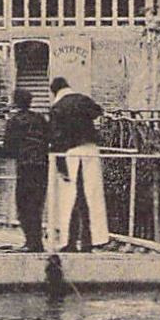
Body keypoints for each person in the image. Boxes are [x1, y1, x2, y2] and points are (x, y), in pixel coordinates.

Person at [47, 76, 108, 253]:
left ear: (54, 92)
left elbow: (56, 138)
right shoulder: (82, 99)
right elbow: (97, 110)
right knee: (90, 195)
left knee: (69, 198)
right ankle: (92, 240)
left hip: (71, 153)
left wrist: (60, 166)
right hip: (91, 149)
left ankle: (70, 241)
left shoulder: (57, 108)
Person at [0, 87, 49, 251]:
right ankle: (37, 242)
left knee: (23, 205)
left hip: (26, 166)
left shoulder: (14, 121)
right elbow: (48, 138)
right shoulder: (40, 118)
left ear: (15, 102)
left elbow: (8, 147)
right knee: (37, 204)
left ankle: (31, 242)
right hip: (42, 165)